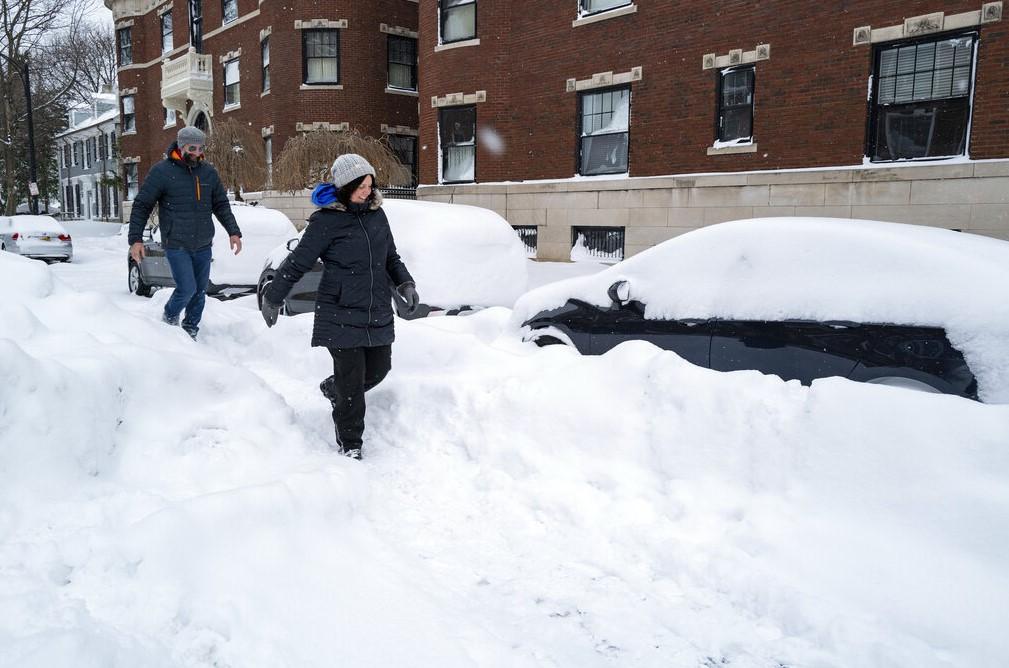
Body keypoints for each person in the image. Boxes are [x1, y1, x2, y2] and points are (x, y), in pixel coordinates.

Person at [260, 154, 419, 460]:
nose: (367, 191)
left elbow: (391, 259)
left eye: (370, 185)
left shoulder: (377, 215)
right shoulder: (326, 221)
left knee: (379, 368)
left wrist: (405, 284)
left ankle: (336, 391)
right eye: (361, 186)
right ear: (345, 187)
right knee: (352, 380)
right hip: (341, 309)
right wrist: (274, 296)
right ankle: (351, 442)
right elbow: (298, 262)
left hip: (375, 308)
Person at [128, 126, 242, 340]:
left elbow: (221, 204)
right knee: (187, 288)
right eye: (192, 148)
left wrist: (233, 231)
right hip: (177, 243)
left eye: (201, 148)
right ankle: (169, 317)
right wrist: (136, 239)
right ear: (181, 147)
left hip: (203, 244)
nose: (197, 153)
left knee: (199, 292)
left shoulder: (208, 172)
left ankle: (190, 329)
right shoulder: (162, 172)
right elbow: (142, 205)